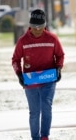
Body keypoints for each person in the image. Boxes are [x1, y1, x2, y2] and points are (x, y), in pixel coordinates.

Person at [12, 9, 65, 140]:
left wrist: (58, 68)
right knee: (34, 112)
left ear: (44, 25)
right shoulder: (23, 41)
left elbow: (60, 55)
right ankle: (35, 137)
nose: (37, 30)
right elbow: (15, 60)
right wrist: (19, 75)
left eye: (40, 26)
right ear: (30, 25)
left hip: (48, 79)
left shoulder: (52, 39)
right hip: (31, 81)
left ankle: (44, 136)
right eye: (34, 26)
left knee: (46, 107)